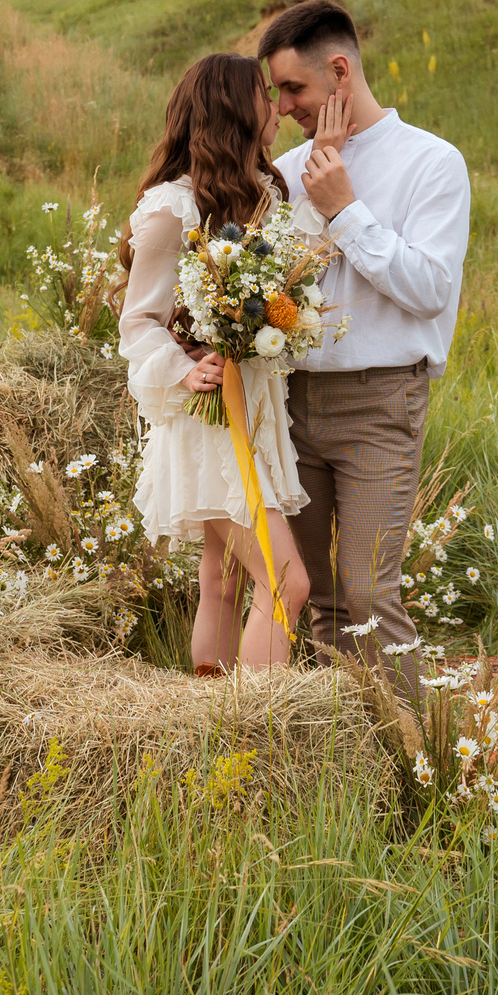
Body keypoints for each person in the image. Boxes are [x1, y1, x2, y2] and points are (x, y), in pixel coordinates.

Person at [260, 0, 471, 685]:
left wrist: (344, 209)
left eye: (294, 87)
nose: (284, 105)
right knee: (314, 597)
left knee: (369, 596)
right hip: (291, 399)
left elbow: (430, 288)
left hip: (380, 403)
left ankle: (419, 744)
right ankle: (344, 742)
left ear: (340, 72)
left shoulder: (432, 163)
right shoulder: (286, 170)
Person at [117, 53, 313, 671]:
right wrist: (184, 369)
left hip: (254, 408)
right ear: (234, 109)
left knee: (224, 581)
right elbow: (138, 322)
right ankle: (254, 722)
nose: (277, 106)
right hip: (209, 416)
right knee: (286, 584)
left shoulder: (260, 197)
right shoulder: (171, 209)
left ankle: (209, 720)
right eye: (264, 94)